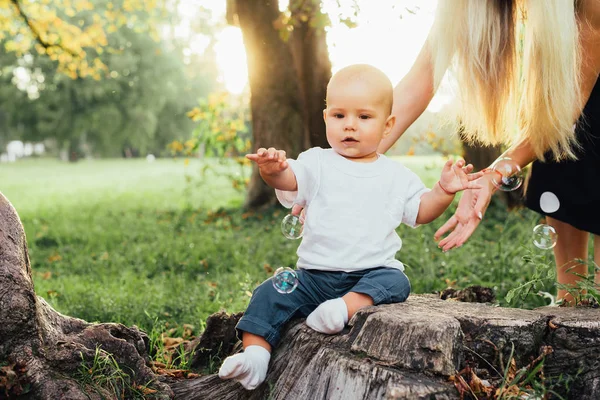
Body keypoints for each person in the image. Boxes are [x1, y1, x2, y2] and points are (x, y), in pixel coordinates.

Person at [217, 64, 483, 390]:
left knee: (396, 280)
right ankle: (255, 357)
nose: (350, 126)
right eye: (339, 116)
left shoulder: (395, 176)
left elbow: (421, 211)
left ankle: (343, 309)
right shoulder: (316, 162)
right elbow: (289, 179)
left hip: (369, 275)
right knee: (269, 292)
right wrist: (272, 170)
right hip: (313, 277)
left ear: (388, 126)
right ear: (326, 117)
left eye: (364, 117)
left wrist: (442, 191)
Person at [375, 0, 600, 305]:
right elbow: (419, 82)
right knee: (560, 163)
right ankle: (571, 310)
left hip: (575, 103)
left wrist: (494, 174)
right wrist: (339, 166)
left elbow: (568, 106)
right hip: (564, 120)